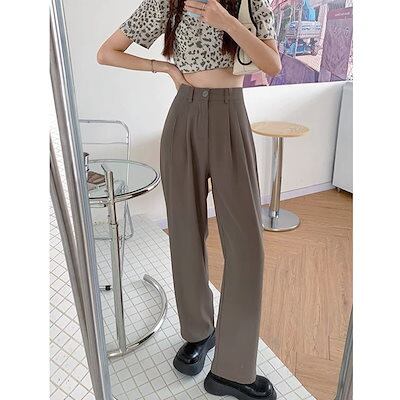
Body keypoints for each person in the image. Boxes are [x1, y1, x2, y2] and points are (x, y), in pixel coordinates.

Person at [97, 0, 281, 398]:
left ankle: (232, 371)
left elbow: (272, 64)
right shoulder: (168, 2)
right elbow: (107, 52)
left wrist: (227, 21)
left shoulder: (250, 1)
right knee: (185, 233)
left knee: (247, 247)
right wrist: (162, 67)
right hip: (184, 116)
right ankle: (199, 331)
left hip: (231, 116)